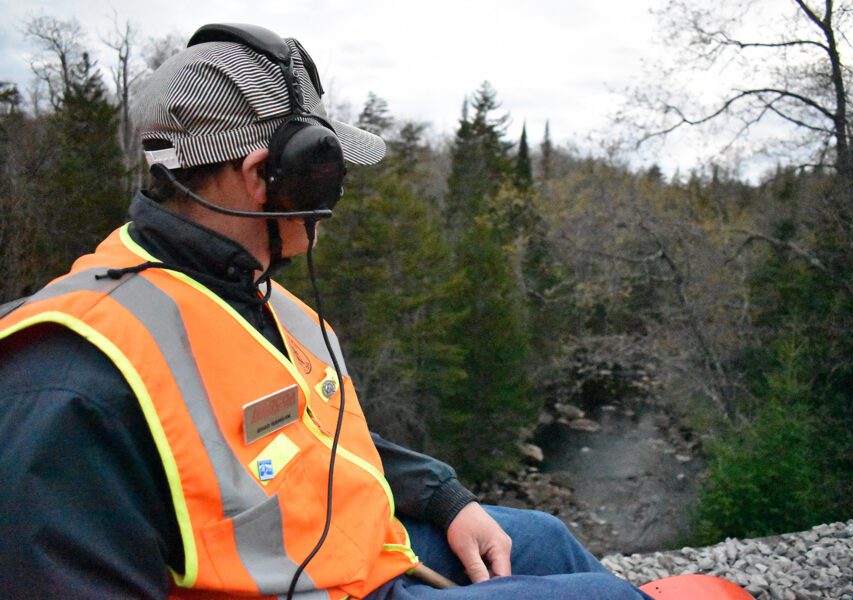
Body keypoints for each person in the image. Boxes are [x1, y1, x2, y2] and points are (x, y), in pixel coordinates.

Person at [0, 23, 651, 600]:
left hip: (363, 555)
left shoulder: (251, 298)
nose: (332, 198)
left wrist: (443, 495)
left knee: (542, 536)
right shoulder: (70, 380)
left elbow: (311, 434)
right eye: (326, 169)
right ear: (265, 174)